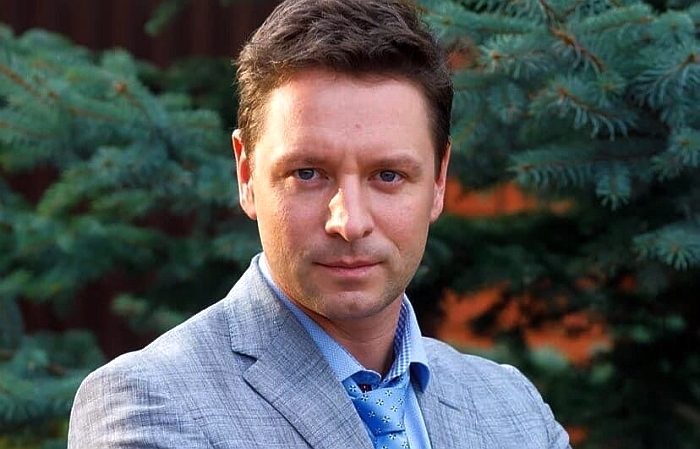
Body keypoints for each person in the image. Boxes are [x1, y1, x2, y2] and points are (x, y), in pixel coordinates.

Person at [68, 0, 571, 447]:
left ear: (438, 181)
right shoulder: (151, 402)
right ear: (246, 174)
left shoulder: (514, 410)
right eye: (307, 173)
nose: (349, 222)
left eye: (388, 175)